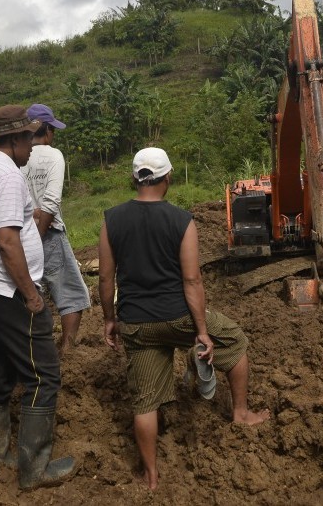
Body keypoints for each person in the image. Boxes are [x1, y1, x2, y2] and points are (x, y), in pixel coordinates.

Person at [98, 147, 270, 491]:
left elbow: (105, 279)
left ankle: (150, 473)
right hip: (178, 317)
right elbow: (192, 280)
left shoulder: (111, 219)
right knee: (235, 340)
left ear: (135, 178)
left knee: (144, 401)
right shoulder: (181, 221)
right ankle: (240, 414)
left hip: (136, 323)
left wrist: (109, 319)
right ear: (168, 177)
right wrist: (202, 332)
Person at [0, 104, 75, 491]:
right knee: (44, 375)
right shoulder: (7, 176)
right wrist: (31, 295)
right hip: (8, 292)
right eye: (28, 139)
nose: (32, 147)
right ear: (15, 140)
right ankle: (34, 470)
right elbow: (7, 240)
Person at [21, 103, 90, 354]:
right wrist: (37, 237)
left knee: (27, 290)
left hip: (18, 234)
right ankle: (67, 348)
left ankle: (31, 348)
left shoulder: (16, 158)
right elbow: (51, 201)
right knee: (71, 292)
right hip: (47, 232)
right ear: (47, 130)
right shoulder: (53, 155)